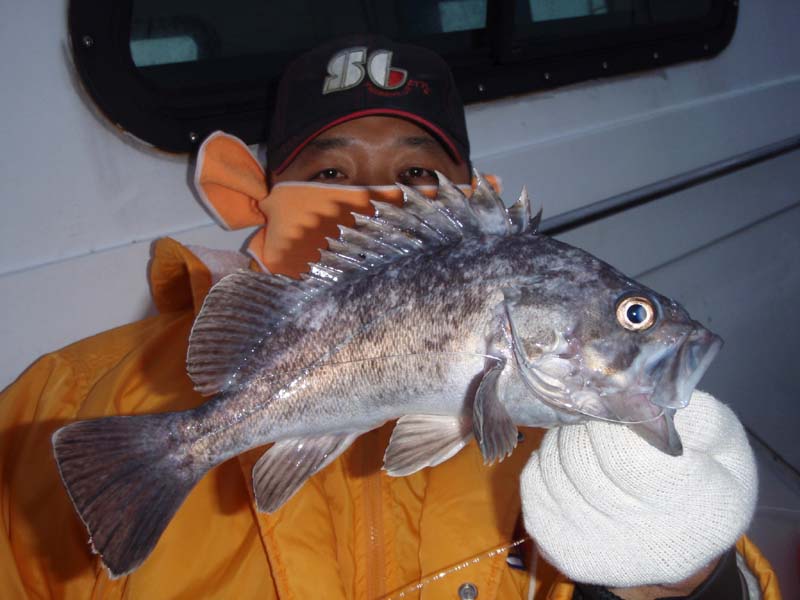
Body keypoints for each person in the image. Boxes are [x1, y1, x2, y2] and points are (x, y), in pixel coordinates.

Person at [0, 34, 779, 599]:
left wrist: (682, 577)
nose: (371, 195)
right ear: (263, 192)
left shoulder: (564, 438)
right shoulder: (65, 392)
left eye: (415, 172)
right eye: (329, 169)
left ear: (470, 192)